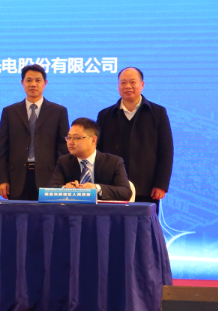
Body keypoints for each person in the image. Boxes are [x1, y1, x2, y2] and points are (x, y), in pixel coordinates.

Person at [95, 67, 174, 206]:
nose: (128, 86)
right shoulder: (105, 115)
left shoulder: (157, 113)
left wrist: (161, 184)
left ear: (142, 84)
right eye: (123, 82)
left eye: (132, 82)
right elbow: (98, 152)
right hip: (112, 188)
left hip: (147, 187)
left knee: (145, 221)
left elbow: (166, 151)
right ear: (118, 86)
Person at [0, 64, 69, 200]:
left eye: (38, 80)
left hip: (49, 178)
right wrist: (2, 180)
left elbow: (63, 149)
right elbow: (2, 149)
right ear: (22, 83)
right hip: (16, 178)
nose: (33, 84)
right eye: (29, 80)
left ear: (45, 83)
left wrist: (61, 179)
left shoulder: (58, 111)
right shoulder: (9, 112)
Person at [49, 118, 132, 201]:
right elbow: (51, 189)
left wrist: (96, 188)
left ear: (93, 140)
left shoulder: (113, 162)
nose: (70, 142)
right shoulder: (64, 162)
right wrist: (65, 189)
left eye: (76, 138)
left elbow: (125, 192)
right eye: (69, 137)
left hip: (103, 208)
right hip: (74, 208)